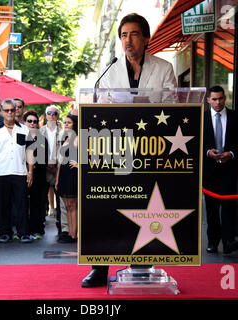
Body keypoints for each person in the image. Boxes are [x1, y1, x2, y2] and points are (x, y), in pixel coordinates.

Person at [81, 13, 177, 287]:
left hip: (151, 152)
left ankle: (141, 263)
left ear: (146, 38)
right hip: (117, 149)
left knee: (144, 207)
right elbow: (99, 108)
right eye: (123, 35)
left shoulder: (164, 68)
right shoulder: (109, 70)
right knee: (106, 206)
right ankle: (100, 268)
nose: (127, 40)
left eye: (133, 34)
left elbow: (174, 105)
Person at [203, 86, 238, 255]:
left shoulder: (236, 117)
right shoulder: (202, 118)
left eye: (221, 98)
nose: (218, 102)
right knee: (212, 208)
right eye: (214, 99)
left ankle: (229, 241)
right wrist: (208, 152)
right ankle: (213, 242)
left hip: (229, 169)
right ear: (208, 100)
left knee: (228, 205)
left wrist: (231, 153)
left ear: (225, 98)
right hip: (209, 170)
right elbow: (194, 141)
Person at [0, 99, 33, 244]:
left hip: (20, 172)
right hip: (1, 172)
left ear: (16, 111)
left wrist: (30, 171)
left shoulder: (25, 129)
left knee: (22, 204)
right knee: (3, 204)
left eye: (12, 110)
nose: (10, 113)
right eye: (7, 110)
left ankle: (23, 233)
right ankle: (4, 233)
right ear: (1, 112)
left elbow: (30, 151)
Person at [39, 105, 69, 241]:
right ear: (46, 115)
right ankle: (38, 228)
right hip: (43, 169)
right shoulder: (39, 132)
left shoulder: (64, 133)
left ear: (58, 116)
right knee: (40, 199)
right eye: (49, 113)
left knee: (61, 200)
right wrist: (46, 163)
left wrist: (55, 164)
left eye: (54, 113)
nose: (52, 115)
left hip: (58, 169)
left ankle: (62, 229)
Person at [24, 110, 49, 239]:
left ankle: (37, 229)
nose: (32, 124)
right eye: (29, 121)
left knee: (37, 204)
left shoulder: (42, 139)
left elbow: (43, 160)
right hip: (22, 174)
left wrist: (31, 165)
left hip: (38, 176)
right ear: (25, 122)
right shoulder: (19, 136)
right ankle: (23, 230)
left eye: (35, 122)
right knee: (22, 203)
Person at [55, 114, 78, 242]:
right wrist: (58, 179)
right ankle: (69, 233)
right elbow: (60, 162)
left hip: (73, 174)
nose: (66, 124)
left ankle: (74, 234)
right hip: (63, 174)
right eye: (65, 122)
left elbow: (90, 156)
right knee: (67, 206)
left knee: (73, 205)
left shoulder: (79, 138)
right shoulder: (66, 139)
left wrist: (79, 164)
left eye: (69, 122)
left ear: (74, 124)